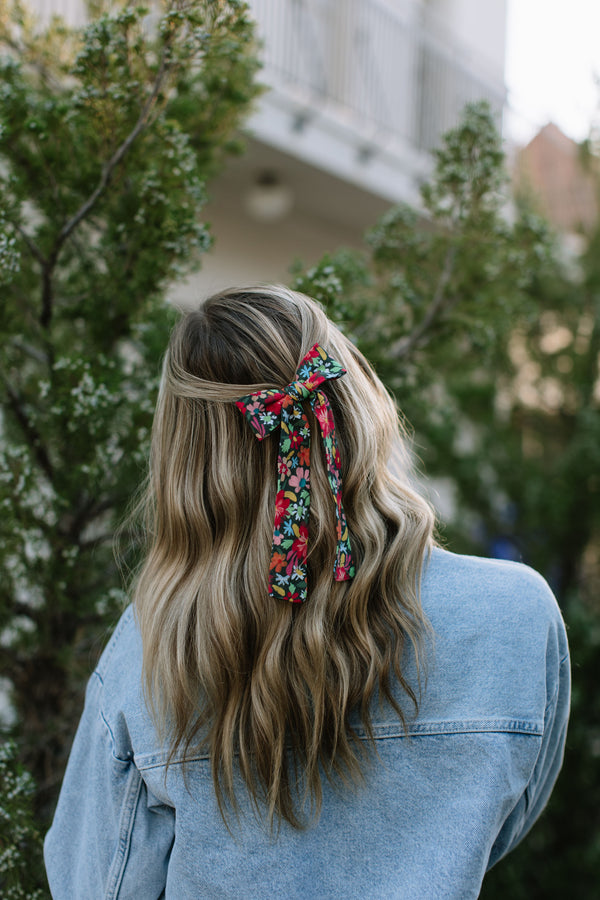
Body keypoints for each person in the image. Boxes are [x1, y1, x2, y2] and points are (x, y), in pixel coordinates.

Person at [44, 286, 570, 899]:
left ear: (185, 460)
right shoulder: (514, 614)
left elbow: (98, 885)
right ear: (353, 402)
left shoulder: (151, 647)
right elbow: (503, 819)